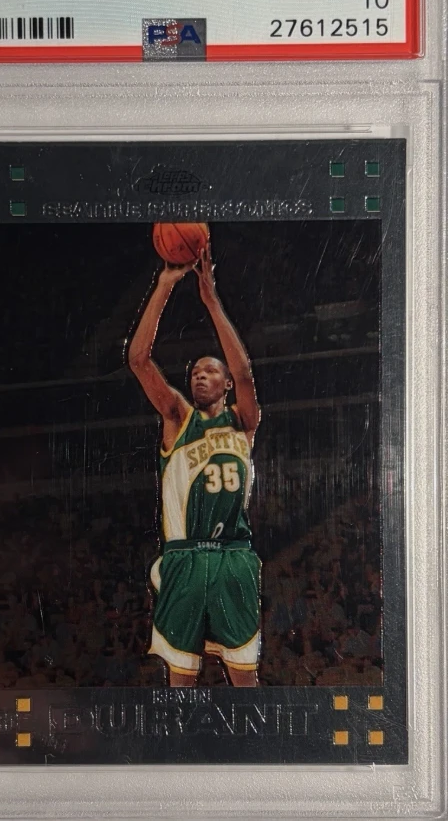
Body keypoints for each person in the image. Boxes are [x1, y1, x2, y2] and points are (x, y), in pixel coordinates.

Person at [128, 242, 261, 687]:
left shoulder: (242, 422)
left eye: (210, 371)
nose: (200, 375)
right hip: (184, 557)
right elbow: (138, 360)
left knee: (245, 681)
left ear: (225, 384)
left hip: (233, 556)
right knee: (180, 684)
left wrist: (211, 301)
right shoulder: (178, 419)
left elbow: (245, 373)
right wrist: (165, 284)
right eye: (195, 373)